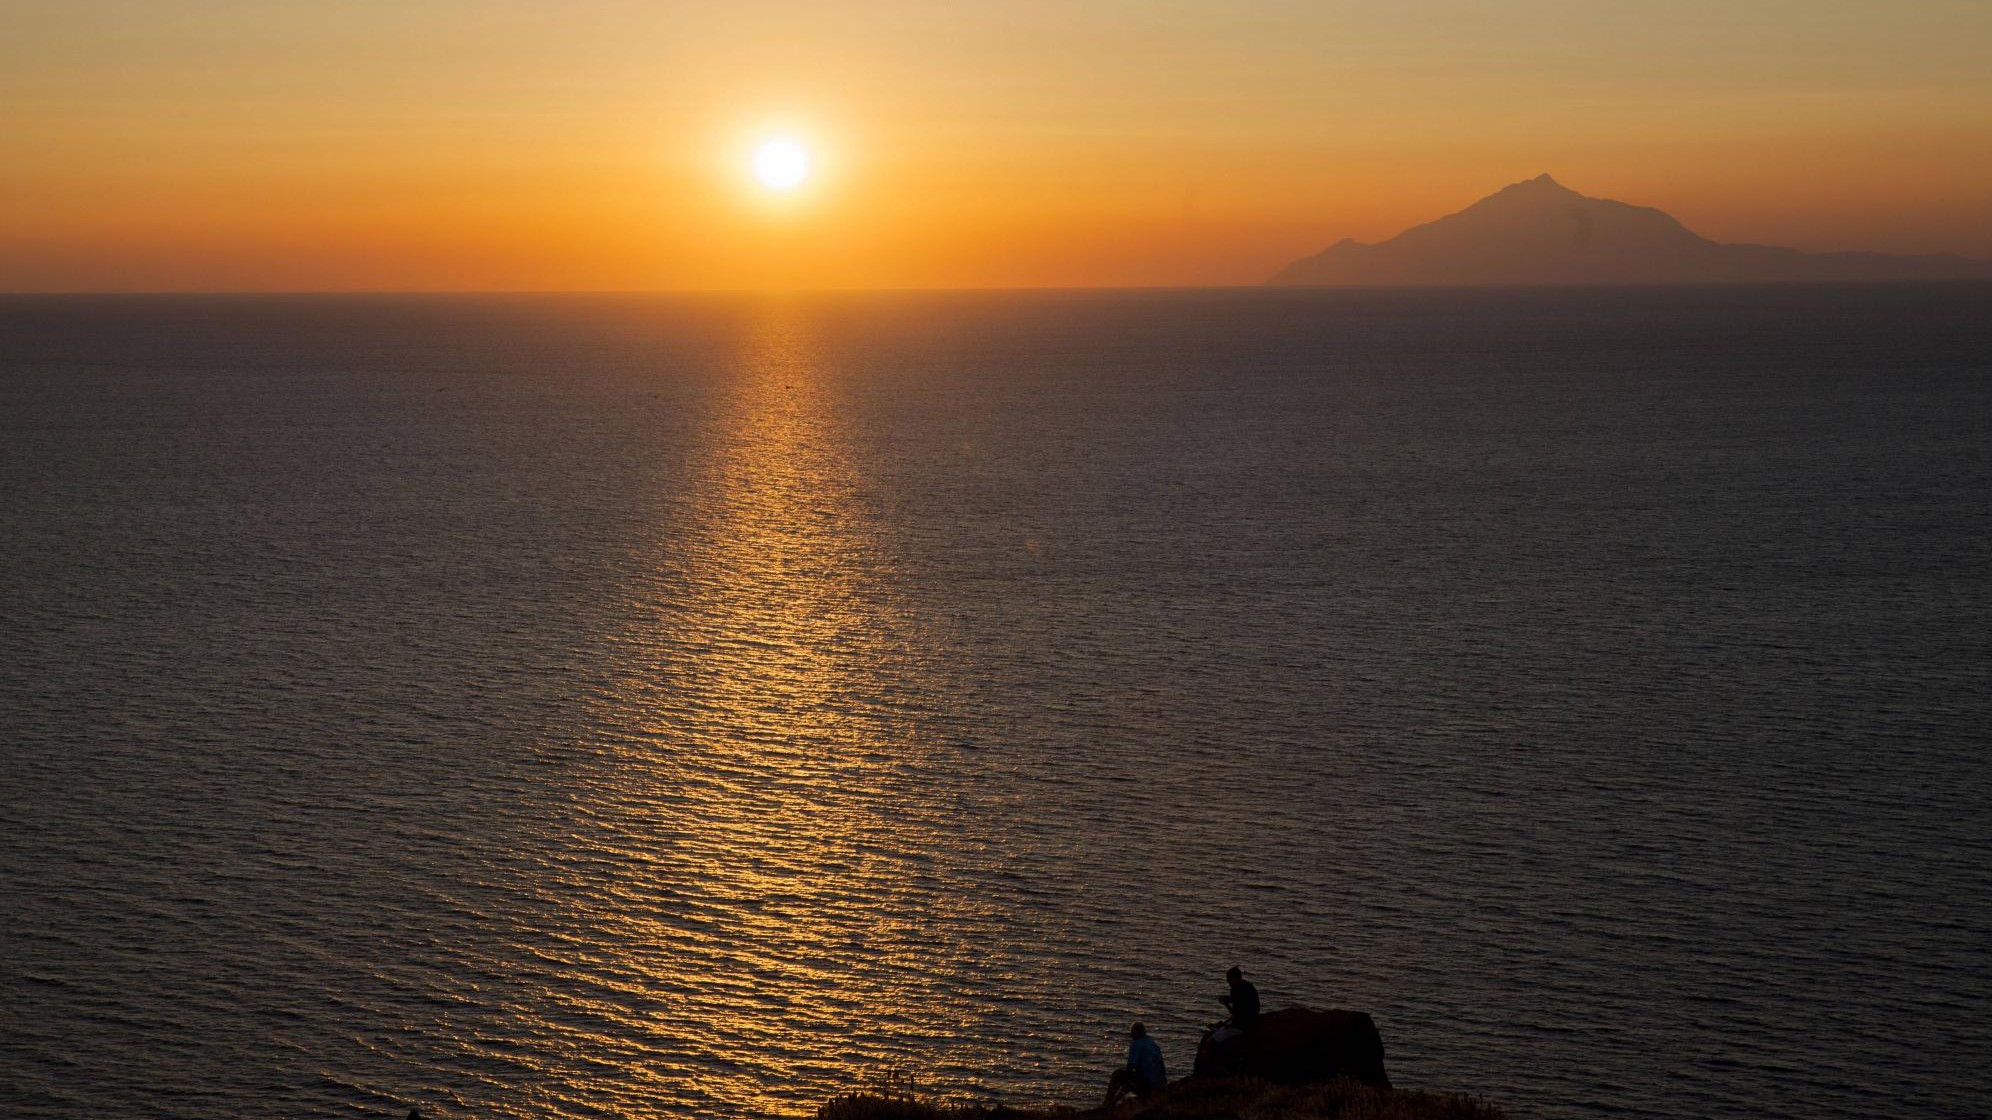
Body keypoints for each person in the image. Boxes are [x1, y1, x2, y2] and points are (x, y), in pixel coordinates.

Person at [1103, 1021, 1167, 1109]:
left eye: (1132, 1033)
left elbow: (1130, 1068)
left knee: (1118, 1075)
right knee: (1130, 1080)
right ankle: (1114, 1101)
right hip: (1160, 1085)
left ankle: (1108, 1102)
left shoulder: (1136, 1044)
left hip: (1148, 1085)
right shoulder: (1153, 1044)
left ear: (1135, 1033)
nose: (1131, 1036)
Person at [1210, 966, 1261, 1045]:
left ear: (1234, 978)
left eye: (1229, 979)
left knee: (1213, 1039)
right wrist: (1229, 999)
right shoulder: (1248, 986)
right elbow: (1242, 1002)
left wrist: (1226, 1004)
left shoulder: (1235, 989)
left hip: (1242, 1026)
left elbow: (1235, 1013)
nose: (1227, 981)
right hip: (1253, 1020)